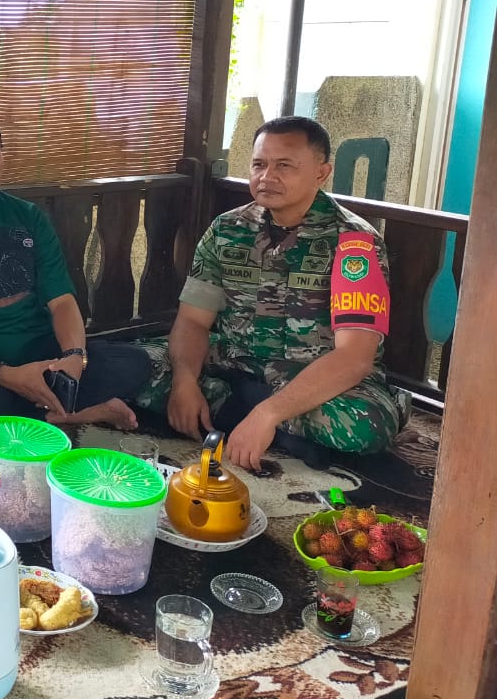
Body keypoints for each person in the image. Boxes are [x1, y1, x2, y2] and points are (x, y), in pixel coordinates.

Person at [134, 116, 411, 470]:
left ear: (321, 173)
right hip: (232, 366)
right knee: (138, 367)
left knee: (363, 426)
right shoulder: (227, 229)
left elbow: (354, 359)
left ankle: (249, 416)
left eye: (284, 166)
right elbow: (192, 320)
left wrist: (269, 412)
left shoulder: (354, 242)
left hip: (312, 382)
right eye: (259, 164)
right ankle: (270, 426)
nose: (267, 177)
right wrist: (185, 383)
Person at [0, 101, 151, 437]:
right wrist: (6, 374)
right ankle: (73, 413)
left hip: (39, 352)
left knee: (134, 363)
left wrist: (75, 358)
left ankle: (47, 410)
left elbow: (61, 300)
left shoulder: (28, 217)